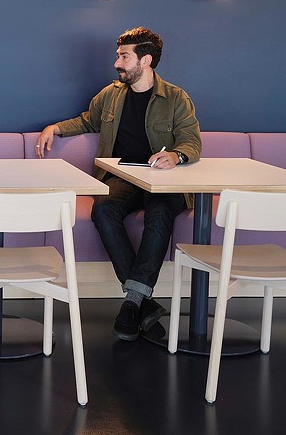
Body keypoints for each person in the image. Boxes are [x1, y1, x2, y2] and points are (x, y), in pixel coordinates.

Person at [35, 26, 201, 341]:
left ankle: (132, 303)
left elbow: (192, 142)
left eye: (124, 56)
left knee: (159, 214)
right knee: (104, 209)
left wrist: (176, 156)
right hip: (123, 177)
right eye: (118, 56)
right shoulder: (111, 94)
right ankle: (141, 302)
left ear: (145, 60)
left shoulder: (176, 98)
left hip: (164, 182)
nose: (117, 63)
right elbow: (87, 120)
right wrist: (54, 128)